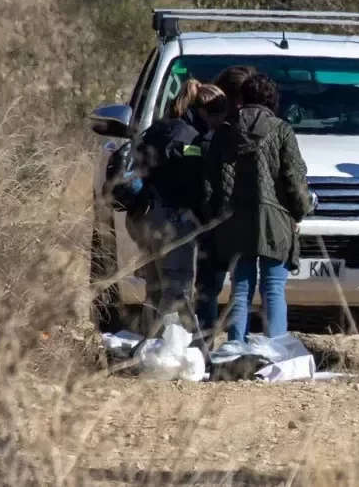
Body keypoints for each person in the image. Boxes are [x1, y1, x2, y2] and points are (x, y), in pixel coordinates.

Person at [202, 73, 314, 342]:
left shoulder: (224, 132)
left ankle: (235, 348)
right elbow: (294, 178)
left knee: (240, 288)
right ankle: (275, 351)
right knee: (273, 287)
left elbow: (209, 183)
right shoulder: (282, 130)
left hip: (233, 223)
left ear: (241, 98)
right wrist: (300, 212)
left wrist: (211, 221)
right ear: (272, 100)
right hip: (275, 221)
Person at [125, 79, 229, 335]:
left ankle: (150, 344)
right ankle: (173, 347)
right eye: (218, 114)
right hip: (170, 220)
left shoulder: (159, 128)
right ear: (205, 111)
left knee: (156, 286)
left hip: (142, 215)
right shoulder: (189, 138)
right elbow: (187, 186)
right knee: (177, 286)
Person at [195, 65, 258, 338]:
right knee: (241, 287)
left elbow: (207, 184)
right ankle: (237, 343)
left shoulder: (211, 135)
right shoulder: (263, 133)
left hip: (216, 222)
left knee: (208, 288)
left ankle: (205, 344)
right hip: (246, 221)